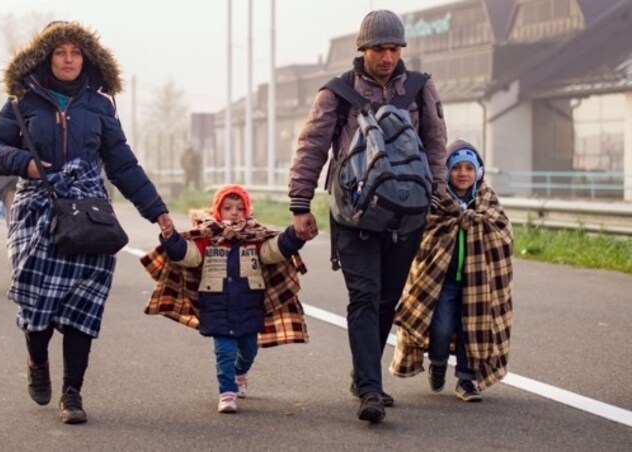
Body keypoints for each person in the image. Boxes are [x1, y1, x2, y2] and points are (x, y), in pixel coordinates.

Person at [0, 21, 174, 425]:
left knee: (83, 306)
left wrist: (157, 211)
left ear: (85, 58)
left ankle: (72, 393)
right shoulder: (22, 102)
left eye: (75, 53)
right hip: (38, 209)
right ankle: (37, 359)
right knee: (37, 302)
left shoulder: (99, 105)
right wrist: (27, 165)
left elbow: (122, 163)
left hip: (89, 211)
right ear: (46, 57)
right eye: (60, 53)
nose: (68, 60)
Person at [287, 9, 448, 423]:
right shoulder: (336, 94)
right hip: (353, 213)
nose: (387, 56)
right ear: (364, 49)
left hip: (407, 214)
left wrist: (438, 196)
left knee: (386, 299)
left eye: (394, 48)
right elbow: (311, 148)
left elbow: (435, 145)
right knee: (363, 296)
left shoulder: (420, 90)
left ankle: (363, 377)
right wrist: (300, 205)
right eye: (380, 48)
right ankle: (372, 390)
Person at [144, 184, 307, 414]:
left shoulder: (255, 238)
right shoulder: (207, 239)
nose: (234, 212)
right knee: (224, 352)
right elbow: (188, 256)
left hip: (250, 306)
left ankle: (240, 373)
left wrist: (294, 235)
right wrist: (171, 238)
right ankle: (227, 393)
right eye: (228, 207)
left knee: (249, 350)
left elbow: (275, 249)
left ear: (247, 211)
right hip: (216, 306)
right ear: (217, 211)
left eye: (240, 208)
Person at [390, 140, 513, 402]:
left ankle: (467, 381)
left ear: (478, 172)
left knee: (473, 329)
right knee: (442, 328)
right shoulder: (437, 200)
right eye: (457, 167)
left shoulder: (487, 199)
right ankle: (437, 361)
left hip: (477, 283)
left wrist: (473, 224)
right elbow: (424, 234)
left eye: (470, 167)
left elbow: (502, 232)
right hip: (442, 282)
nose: (463, 173)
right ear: (446, 171)